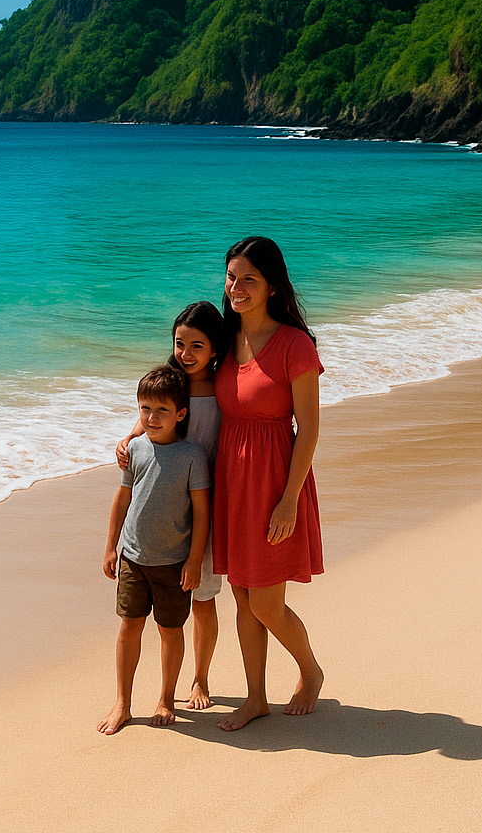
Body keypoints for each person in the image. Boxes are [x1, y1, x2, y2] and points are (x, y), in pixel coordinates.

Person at [212, 236, 325, 732]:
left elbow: (311, 428)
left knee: (265, 601)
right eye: (231, 277)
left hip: (275, 483)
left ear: (272, 286)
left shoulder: (293, 345)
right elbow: (179, 380)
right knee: (240, 595)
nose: (236, 288)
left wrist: (289, 501)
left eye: (248, 280)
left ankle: (311, 671)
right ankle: (255, 697)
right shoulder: (223, 337)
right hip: (231, 482)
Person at [116, 301, 227, 709]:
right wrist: (128, 439)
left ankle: (200, 679)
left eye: (197, 345)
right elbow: (150, 414)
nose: (186, 353)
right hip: (164, 501)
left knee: (203, 596)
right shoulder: (173, 382)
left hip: (206, 501)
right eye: (180, 343)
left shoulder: (225, 385)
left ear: (215, 349)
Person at [98, 365, 212, 734]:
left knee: (169, 629)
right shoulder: (135, 449)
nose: (151, 417)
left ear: (181, 413)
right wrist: (110, 546)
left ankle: (165, 697)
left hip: (173, 562)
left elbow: (201, 511)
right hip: (132, 557)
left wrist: (194, 560)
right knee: (129, 627)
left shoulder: (193, 456)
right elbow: (122, 498)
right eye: (145, 408)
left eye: (161, 410)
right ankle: (123, 702)